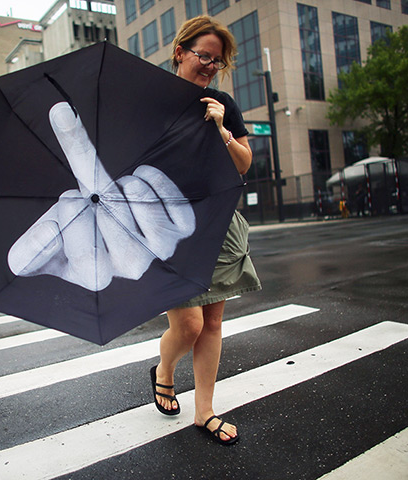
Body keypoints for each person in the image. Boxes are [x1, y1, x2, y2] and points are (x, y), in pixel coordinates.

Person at [150, 15, 261, 446]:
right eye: (204, 56)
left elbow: (243, 164)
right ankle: (163, 370)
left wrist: (221, 130)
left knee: (212, 320)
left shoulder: (222, 104)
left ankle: (205, 411)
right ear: (180, 52)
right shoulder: (152, 103)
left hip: (217, 218)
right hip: (168, 224)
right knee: (190, 324)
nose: (211, 66)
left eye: (218, 61)